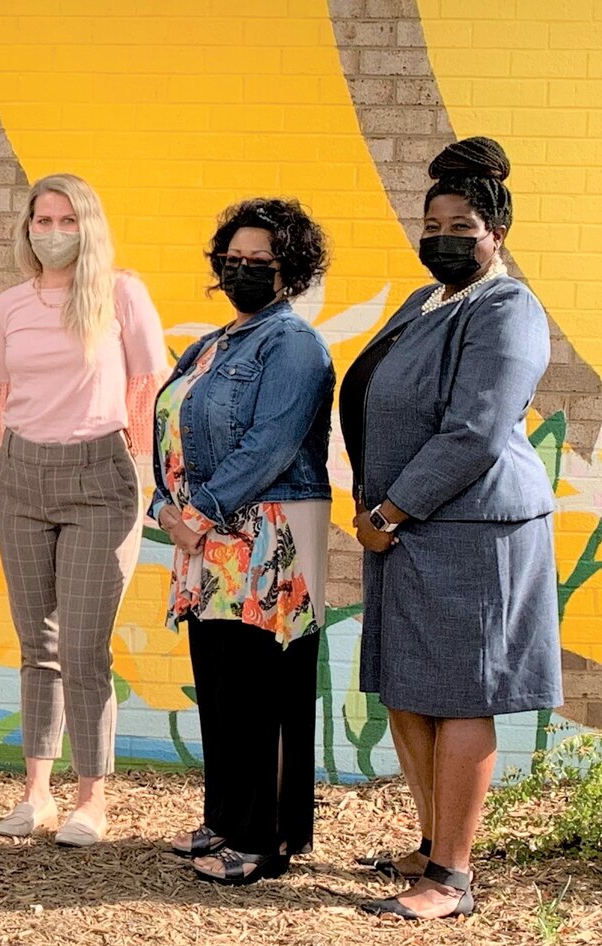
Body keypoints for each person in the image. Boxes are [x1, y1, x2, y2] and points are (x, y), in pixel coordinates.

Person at [347, 137, 559, 921]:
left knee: (463, 698)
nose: (442, 235)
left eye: (461, 222)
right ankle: (432, 842)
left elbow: (474, 430)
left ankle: (452, 880)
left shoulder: (509, 308)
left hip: (473, 528)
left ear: (496, 231)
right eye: (432, 220)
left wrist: (391, 509)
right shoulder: (424, 302)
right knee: (409, 691)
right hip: (404, 527)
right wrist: (383, 510)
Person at [0, 174, 168, 846]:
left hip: (100, 477)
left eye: (65, 220)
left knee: (84, 648)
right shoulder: (9, 307)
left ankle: (92, 800)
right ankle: (35, 794)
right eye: (40, 219)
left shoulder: (121, 294)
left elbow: (149, 386)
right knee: (39, 647)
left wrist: (150, 477)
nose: (50, 232)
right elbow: (3, 388)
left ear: (88, 226)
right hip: (21, 478)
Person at [151, 197, 334, 883]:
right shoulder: (212, 343)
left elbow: (272, 443)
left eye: (262, 260)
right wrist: (167, 507)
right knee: (222, 684)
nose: (244, 269)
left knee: (264, 691)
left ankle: (265, 840)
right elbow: (171, 427)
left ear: (291, 269)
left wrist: (197, 512)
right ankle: (225, 818)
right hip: (206, 535)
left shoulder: (293, 344)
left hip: (271, 536)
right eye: (234, 258)